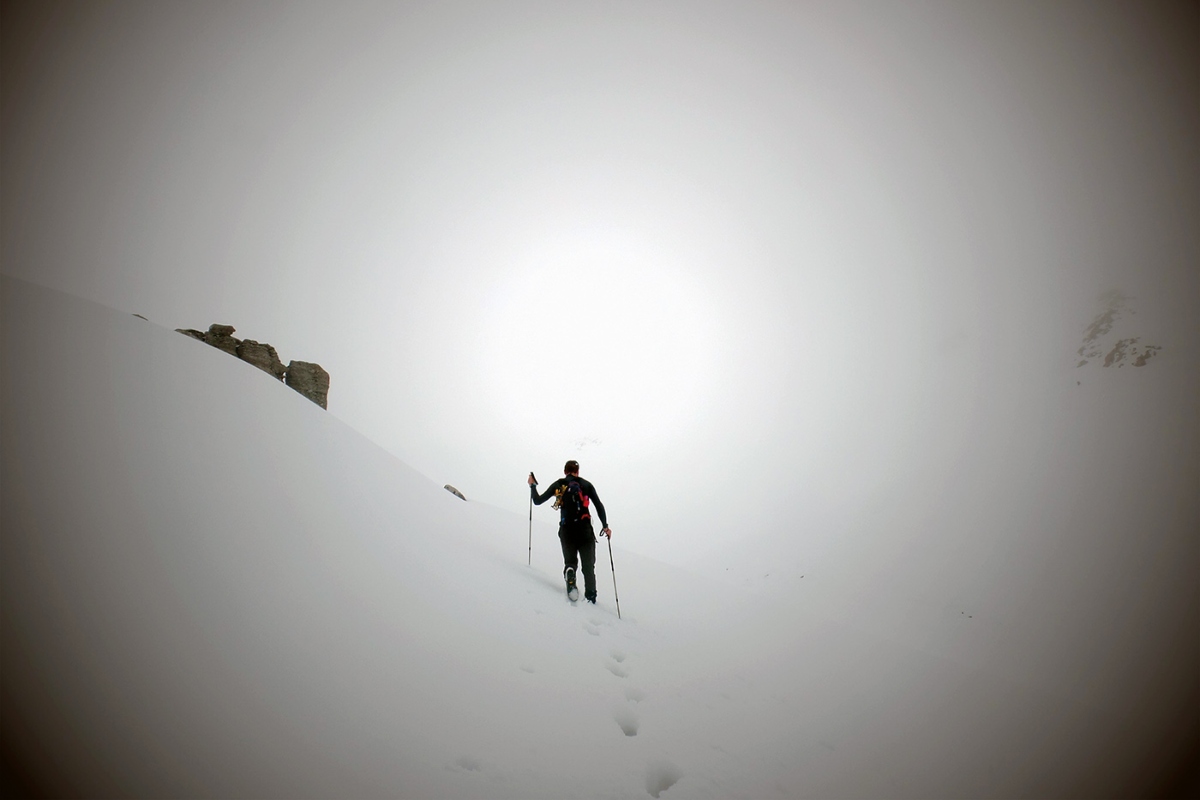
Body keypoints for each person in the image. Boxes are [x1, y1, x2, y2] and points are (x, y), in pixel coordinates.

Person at [528, 460, 611, 603]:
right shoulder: (586, 485)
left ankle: (570, 571)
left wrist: (533, 486)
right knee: (588, 567)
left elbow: (537, 500)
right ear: (577, 472)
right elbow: (599, 505)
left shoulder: (559, 485)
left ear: (565, 471)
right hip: (585, 530)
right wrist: (605, 526)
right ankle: (591, 598)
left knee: (570, 561)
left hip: (567, 530)